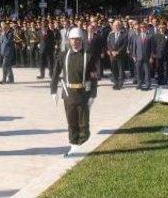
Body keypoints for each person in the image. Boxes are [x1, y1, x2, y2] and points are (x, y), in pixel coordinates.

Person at [50, 27, 98, 157]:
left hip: (83, 94)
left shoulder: (88, 56)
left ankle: (82, 146)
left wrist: (93, 95)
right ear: (69, 40)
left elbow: (94, 77)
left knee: (83, 123)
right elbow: (55, 73)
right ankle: (73, 146)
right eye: (72, 39)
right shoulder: (63, 55)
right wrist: (53, 91)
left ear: (81, 40)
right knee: (71, 122)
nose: (75, 42)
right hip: (69, 94)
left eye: (77, 39)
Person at [131, 23, 153, 90]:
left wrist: (151, 57)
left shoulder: (150, 36)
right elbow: (134, 47)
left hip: (147, 57)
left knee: (147, 71)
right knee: (138, 71)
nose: (143, 28)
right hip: (138, 57)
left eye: (144, 27)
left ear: (146, 28)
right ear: (140, 29)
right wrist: (134, 56)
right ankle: (139, 84)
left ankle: (147, 84)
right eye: (141, 27)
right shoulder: (136, 37)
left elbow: (152, 48)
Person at [106, 20, 126, 90]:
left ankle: (120, 83)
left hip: (120, 55)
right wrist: (111, 51)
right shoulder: (111, 34)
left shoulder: (124, 34)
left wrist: (118, 51)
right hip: (112, 55)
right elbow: (108, 44)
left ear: (120, 26)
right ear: (113, 26)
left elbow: (124, 45)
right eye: (115, 25)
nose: (116, 27)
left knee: (121, 69)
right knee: (114, 69)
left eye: (118, 25)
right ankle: (115, 83)